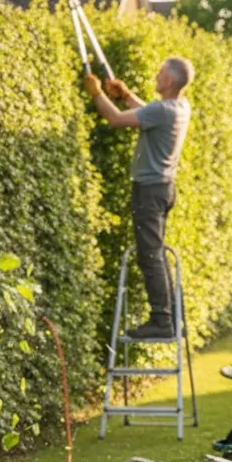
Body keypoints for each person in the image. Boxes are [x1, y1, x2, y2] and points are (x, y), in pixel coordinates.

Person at [84, 57, 193, 340]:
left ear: (169, 81)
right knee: (156, 254)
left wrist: (97, 94)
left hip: (149, 192)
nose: (156, 75)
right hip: (164, 189)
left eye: (160, 73)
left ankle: (162, 321)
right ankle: (173, 318)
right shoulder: (180, 106)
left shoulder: (163, 109)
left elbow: (115, 119)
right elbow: (148, 113)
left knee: (150, 257)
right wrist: (126, 95)